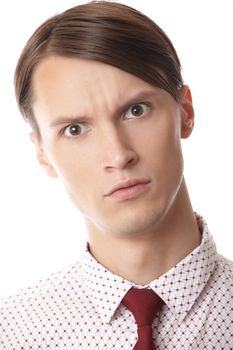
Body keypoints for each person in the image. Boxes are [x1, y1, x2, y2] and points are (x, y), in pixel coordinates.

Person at [0, 1, 232, 349]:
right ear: (42, 154)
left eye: (136, 110)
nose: (118, 155)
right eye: (75, 129)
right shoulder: (13, 332)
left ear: (185, 112)